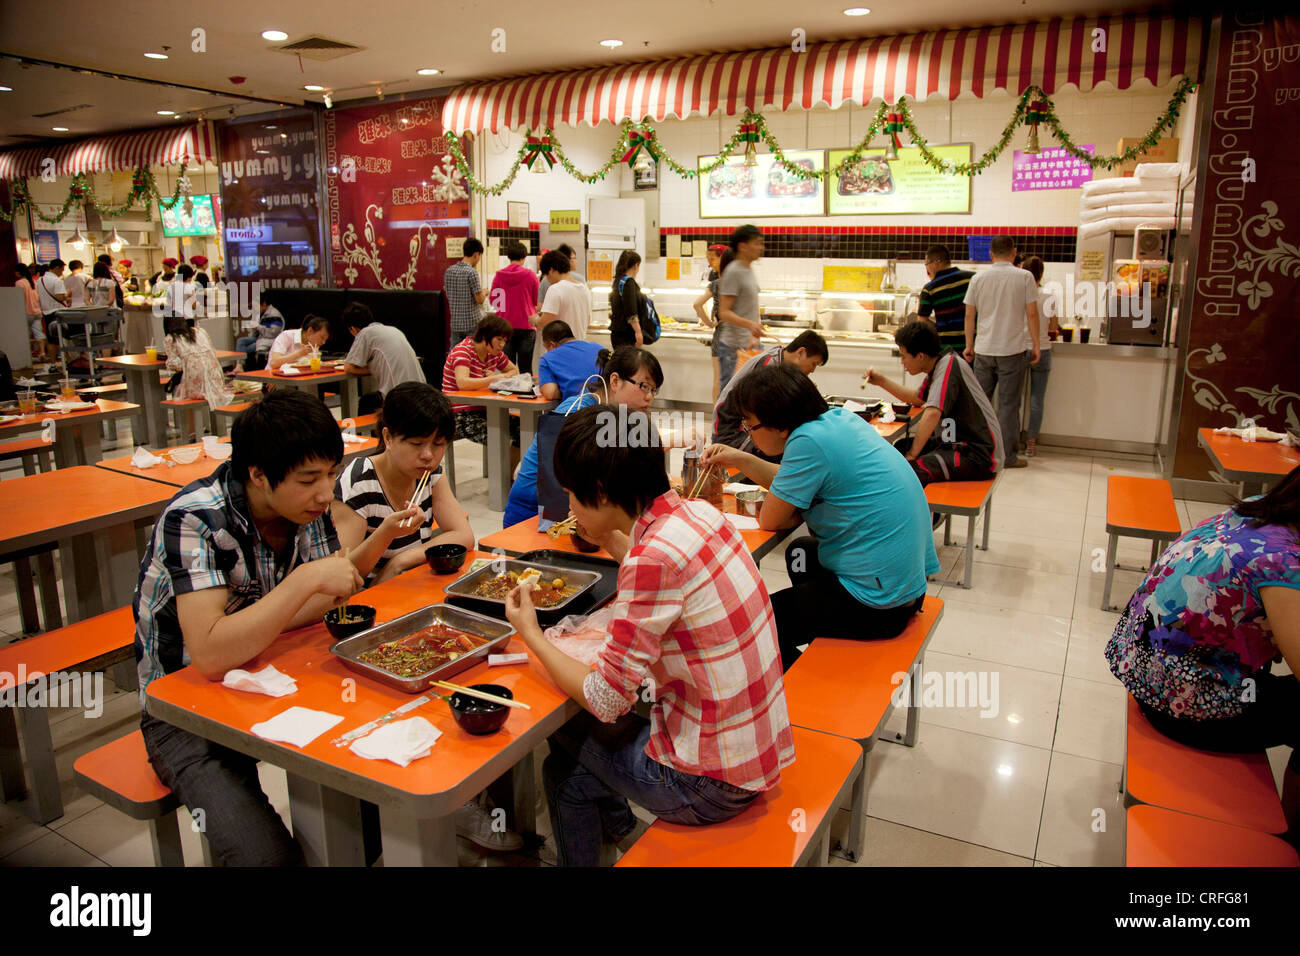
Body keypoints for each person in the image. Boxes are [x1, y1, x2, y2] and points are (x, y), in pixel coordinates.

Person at [502, 404, 795, 866]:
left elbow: (605, 699)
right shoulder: (700, 514)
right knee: (571, 765)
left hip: (708, 783)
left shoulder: (651, 560)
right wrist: (610, 538)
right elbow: (663, 574)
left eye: (573, 495)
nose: (570, 508)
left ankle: (623, 828)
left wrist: (531, 634)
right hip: (757, 753)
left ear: (601, 491)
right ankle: (622, 830)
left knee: (563, 746)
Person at [134, 389, 365, 866]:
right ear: (258, 474)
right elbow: (210, 656)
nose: (326, 493)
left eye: (332, 474)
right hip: (183, 708)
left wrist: (304, 592)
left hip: (269, 674)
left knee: (371, 811)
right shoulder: (195, 519)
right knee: (266, 859)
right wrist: (304, 581)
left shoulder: (305, 506)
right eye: (309, 479)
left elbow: (323, 601)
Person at [1105, 467, 1300, 847]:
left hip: (1144, 664)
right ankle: (1293, 842)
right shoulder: (1283, 561)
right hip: (1180, 701)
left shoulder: (1257, 510)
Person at [702, 364, 938, 671]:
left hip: (880, 604)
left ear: (779, 424)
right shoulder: (836, 420)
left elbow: (771, 519)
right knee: (801, 552)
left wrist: (789, 505)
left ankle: (799, 685)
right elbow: (794, 480)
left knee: (753, 625)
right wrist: (740, 458)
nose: (750, 434)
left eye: (750, 426)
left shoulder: (807, 443)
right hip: (907, 587)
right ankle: (820, 645)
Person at [503, 345, 662, 528]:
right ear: (615, 381)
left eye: (654, 390)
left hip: (575, 514)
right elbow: (554, 493)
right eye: (644, 386)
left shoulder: (618, 418)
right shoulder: (574, 413)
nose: (649, 397)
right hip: (532, 517)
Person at [334, 383, 474, 583]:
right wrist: (386, 533)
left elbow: (464, 535)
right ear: (387, 438)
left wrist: (400, 561)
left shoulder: (429, 474)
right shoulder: (358, 483)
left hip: (410, 582)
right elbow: (342, 575)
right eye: (416, 444)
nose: (428, 455)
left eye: (438, 444)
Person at [864, 320, 1003, 486]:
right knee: (900, 448)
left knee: (909, 471)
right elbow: (917, 398)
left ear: (920, 356)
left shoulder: (949, 366)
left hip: (978, 454)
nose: (902, 362)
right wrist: (881, 381)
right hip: (954, 443)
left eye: (904, 356)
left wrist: (912, 455)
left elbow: (932, 413)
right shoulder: (940, 365)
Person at [963, 235, 1040, 469]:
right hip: (1012, 350)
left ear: (991, 254)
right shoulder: (1025, 277)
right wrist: (1036, 344)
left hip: (984, 350)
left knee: (979, 404)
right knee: (1008, 406)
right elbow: (1032, 313)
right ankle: (1007, 457)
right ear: (1014, 253)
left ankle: (977, 452)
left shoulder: (978, 278)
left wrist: (969, 345)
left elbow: (969, 315)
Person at [711, 330, 828, 460]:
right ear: (801, 352)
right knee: (780, 451)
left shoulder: (780, 359)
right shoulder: (768, 365)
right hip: (731, 428)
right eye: (814, 363)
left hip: (750, 424)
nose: (813, 370)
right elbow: (764, 413)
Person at [441, 314, 521, 454]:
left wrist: (497, 377)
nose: (502, 345)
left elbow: (515, 371)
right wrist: (495, 379)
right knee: (500, 438)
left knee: (523, 428)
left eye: (505, 340)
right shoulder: (463, 351)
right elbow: (463, 383)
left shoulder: (494, 353)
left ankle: (509, 469)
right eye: (499, 339)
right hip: (459, 414)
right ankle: (499, 469)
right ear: (485, 335)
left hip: (486, 409)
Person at [716, 225, 768, 392]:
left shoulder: (748, 270)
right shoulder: (733, 272)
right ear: (743, 246)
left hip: (748, 345)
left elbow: (749, 308)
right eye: (757, 243)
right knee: (729, 395)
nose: (761, 247)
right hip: (733, 347)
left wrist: (754, 334)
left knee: (747, 394)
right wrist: (750, 325)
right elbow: (724, 312)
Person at [342, 301, 426, 397]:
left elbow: (349, 368)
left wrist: (373, 369)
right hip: (423, 392)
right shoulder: (394, 330)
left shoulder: (365, 333)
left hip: (400, 396)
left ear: (353, 329)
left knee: (367, 401)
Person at [1021, 256, 1059, 457]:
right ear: (1041, 274)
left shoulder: (1019, 296)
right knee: (1037, 398)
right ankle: (1031, 443)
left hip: (1019, 350)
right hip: (1042, 349)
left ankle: (1011, 440)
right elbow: (1053, 327)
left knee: (1013, 399)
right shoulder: (1049, 297)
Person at [164, 314, 233, 413]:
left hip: (196, 385)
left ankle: (188, 422)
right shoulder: (200, 331)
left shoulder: (171, 338)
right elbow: (212, 352)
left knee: (177, 387)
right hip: (216, 379)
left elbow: (174, 365)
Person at [489, 240, 539, 373]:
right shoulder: (531, 275)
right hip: (527, 326)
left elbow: (494, 301)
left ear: (508, 257)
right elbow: (537, 300)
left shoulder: (499, 276)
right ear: (524, 258)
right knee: (526, 368)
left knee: (507, 369)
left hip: (504, 327)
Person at [917, 244, 976, 354]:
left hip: (947, 350)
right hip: (974, 347)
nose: (927, 269)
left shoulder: (930, 288)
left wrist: (939, 327)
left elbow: (922, 321)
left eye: (927, 264)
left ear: (936, 263)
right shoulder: (972, 278)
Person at [693, 244, 728, 402]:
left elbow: (697, 304)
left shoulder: (716, 284)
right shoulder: (741, 283)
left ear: (724, 259)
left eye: (712, 259)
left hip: (721, 336)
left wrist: (709, 323)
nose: (709, 263)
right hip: (739, 336)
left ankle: (717, 414)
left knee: (719, 379)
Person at [536, 320, 604, 402]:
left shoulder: (547, 358)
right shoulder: (599, 348)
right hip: (609, 405)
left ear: (552, 345)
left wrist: (564, 388)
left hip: (577, 407)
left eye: (546, 348)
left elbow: (550, 393)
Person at [536, 249, 591, 341]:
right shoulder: (584, 289)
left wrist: (535, 320)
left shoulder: (555, 289)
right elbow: (588, 319)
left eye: (546, 276)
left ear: (551, 270)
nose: (547, 280)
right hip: (580, 342)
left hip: (562, 344)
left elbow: (544, 323)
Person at [444, 238, 488, 340]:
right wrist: (485, 292)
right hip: (471, 323)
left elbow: (448, 294)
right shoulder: (471, 272)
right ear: (476, 254)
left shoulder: (449, 271)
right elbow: (479, 300)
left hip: (455, 324)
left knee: (457, 350)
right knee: (472, 349)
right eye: (479, 256)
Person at [608, 250, 645, 350]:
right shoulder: (629, 282)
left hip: (617, 332)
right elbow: (631, 311)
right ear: (636, 265)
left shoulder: (617, 280)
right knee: (628, 359)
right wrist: (638, 331)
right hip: (627, 334)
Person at [236, 300, 285, 371]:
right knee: (241, 341)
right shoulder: (261, 314)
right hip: (260, 338)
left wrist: (258, 327)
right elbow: (257, 332)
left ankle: (240, 367)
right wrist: (254, 328)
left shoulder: (274, 314)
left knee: (245, 350)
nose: (255, 309)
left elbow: (273, 333)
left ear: (264, 304)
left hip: (269, 339)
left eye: (256, 306)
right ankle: (239, 366)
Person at [36, 259, 70, 359]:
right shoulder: (57, 281)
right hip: (58, 312)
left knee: (51, 340)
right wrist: (67, 296)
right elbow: (60, 297)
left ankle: (53, 363)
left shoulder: (40, 280)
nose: (62, 273)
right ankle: (67, 361)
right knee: (62, 339)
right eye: (62, 270)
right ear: (57, 268)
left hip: (46, 313)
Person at [537, 242, 586, 308]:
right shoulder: (580, 281)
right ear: (567, 259)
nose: (576, 261)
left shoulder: (546, 280)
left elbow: (540, 305)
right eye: (574, 258)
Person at [15, 263, 43, 357]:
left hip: (26, 312)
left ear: (18, 272)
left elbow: (19, 298)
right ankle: (42, 352)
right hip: (37, 311)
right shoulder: (33, 281)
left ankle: (27, 355)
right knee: (39, 333)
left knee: (25, 335)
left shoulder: (19, 283)